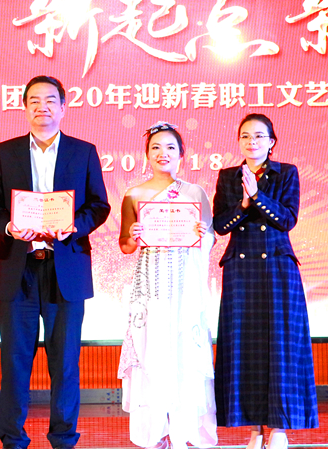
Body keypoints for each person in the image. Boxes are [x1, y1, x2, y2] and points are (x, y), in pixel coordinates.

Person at [0, 75, 110, 449]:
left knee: (65, 362)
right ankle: (13, 439)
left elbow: (99, 205)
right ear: (24, 108)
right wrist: (8, 226)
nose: (42, 107)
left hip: (64, 268)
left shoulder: (83, 151)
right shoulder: (5, 152)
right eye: (34, 100)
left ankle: (64, 438)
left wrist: (73, 227)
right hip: (17, 268)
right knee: (15, 362)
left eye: (51, 100)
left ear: (64, 107)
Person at [213, 113, 318, 449]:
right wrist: (244, 203)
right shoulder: (228, 176)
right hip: (240, 270)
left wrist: (258, 195)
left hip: (277, 267)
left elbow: (287, 219)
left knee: (281, 346)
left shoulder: (286, 173)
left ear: (272, 142)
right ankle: (255, 428)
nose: (252, 142)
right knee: (244, 347)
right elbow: (220, 225)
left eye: (259, 136)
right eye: (245, 136)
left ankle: (279, 428)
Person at [117, 122, 218, 449]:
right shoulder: (134, 195)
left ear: (181, 154)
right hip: (151, 285)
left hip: (185, 284)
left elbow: (209, 238)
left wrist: (204, 234)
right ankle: (156, 431)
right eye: (156, 147)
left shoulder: (195, 193)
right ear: (147, 154)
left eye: (170, 147)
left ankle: (185, 430)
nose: (163, 153)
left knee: (184, 351)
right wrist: (134, 237)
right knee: (153, 351)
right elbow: (125, 245)